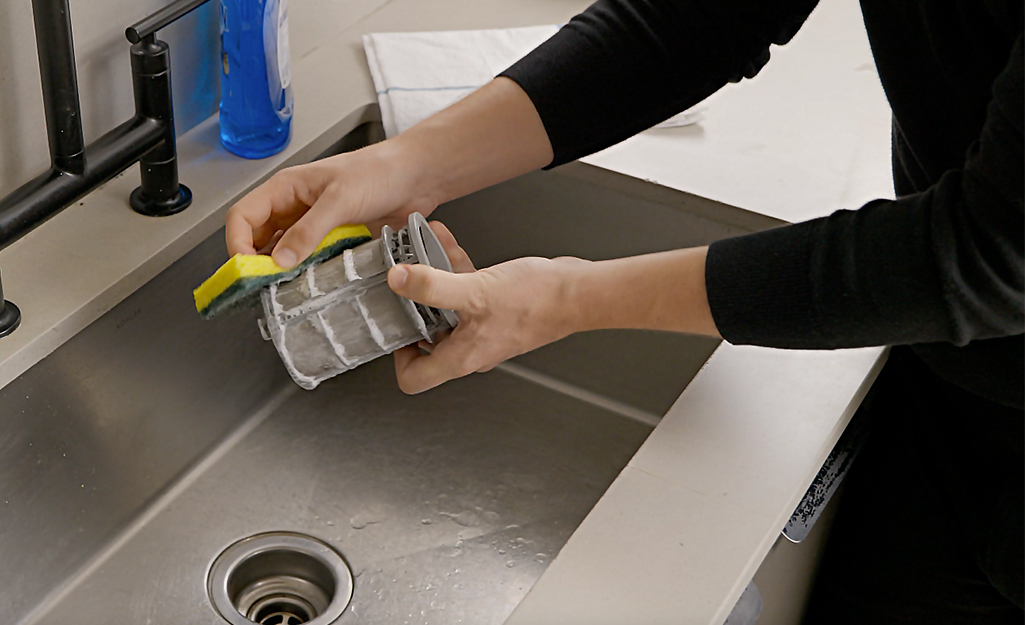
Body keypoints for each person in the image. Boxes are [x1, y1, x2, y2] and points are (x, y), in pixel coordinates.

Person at [224, 0, 1023, 621]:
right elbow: (698, 21)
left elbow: (991, 257)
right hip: (946, 379)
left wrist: (570, 297)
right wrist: (410, 164)